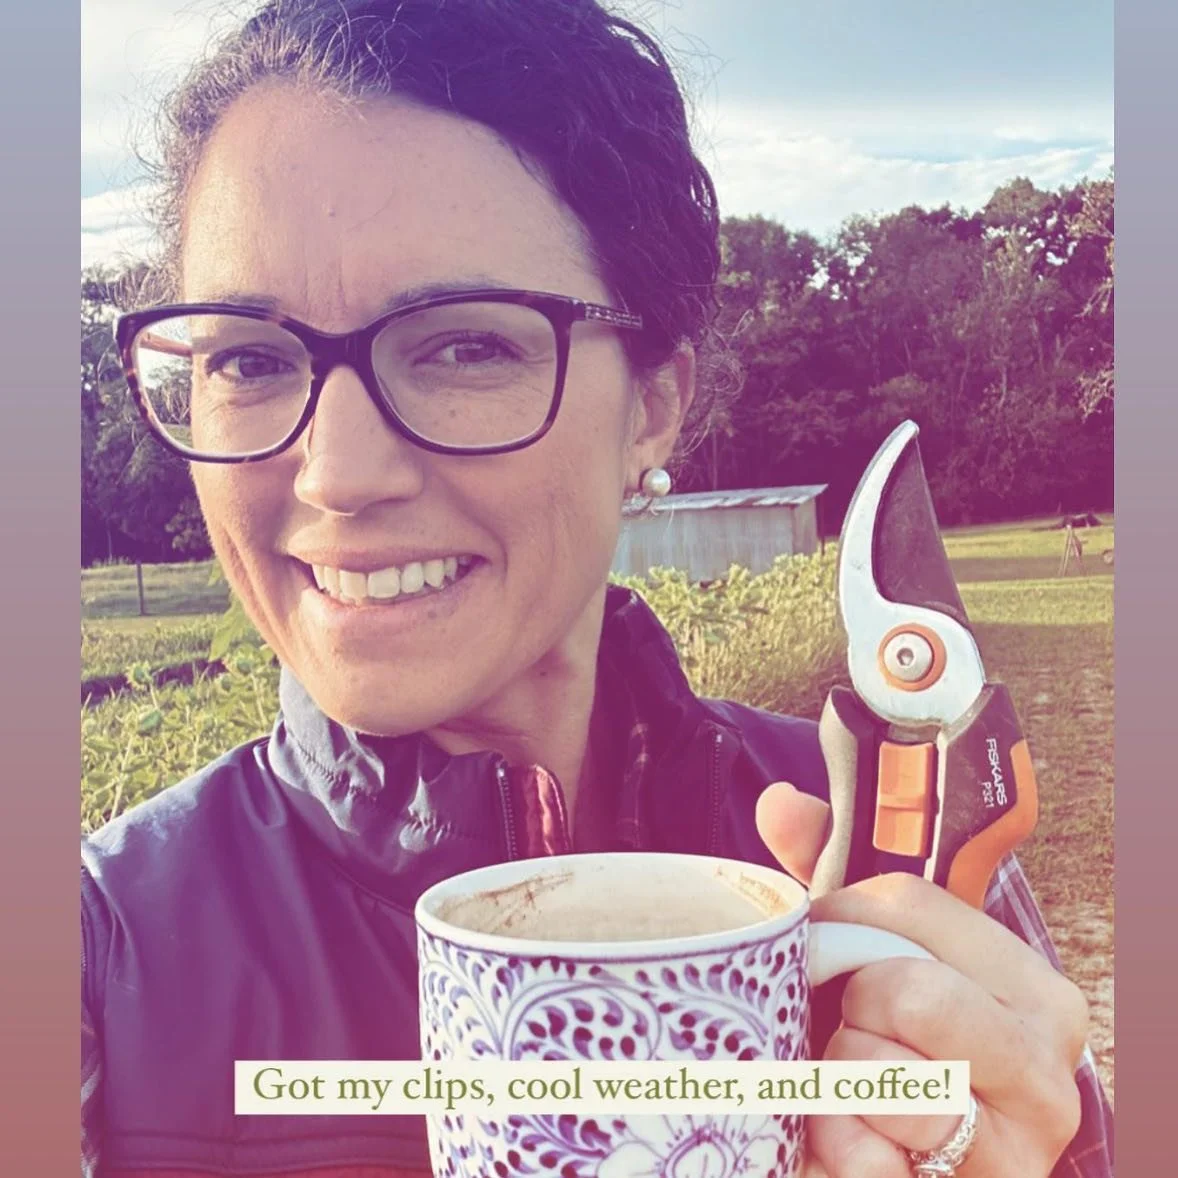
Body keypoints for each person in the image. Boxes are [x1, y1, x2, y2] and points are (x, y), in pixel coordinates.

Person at [81, 2, 1113, 1176]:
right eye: (248, 359)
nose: (338, 473)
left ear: (652, 404)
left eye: (465, 344)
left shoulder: (899, 858)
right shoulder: (88, 963)